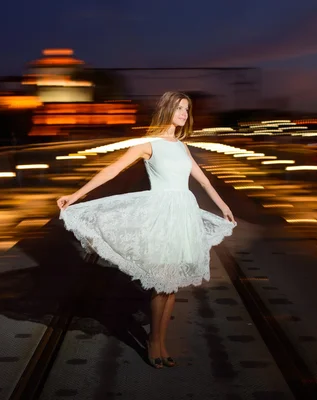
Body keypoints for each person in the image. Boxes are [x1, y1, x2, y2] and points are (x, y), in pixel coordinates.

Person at [57, 91, 236, 368]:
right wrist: (76, 195)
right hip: (161, 217)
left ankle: (161, 340)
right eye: (179, 108)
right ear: (166, 109)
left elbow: (203, 181)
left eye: (187, 109)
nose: (184, 114)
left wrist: (222, 205)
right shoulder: (148, 144)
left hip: (183, 216)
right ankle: (154, 343)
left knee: (172, 284)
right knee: (161, 283)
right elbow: (112, 171)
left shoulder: (181, 145)